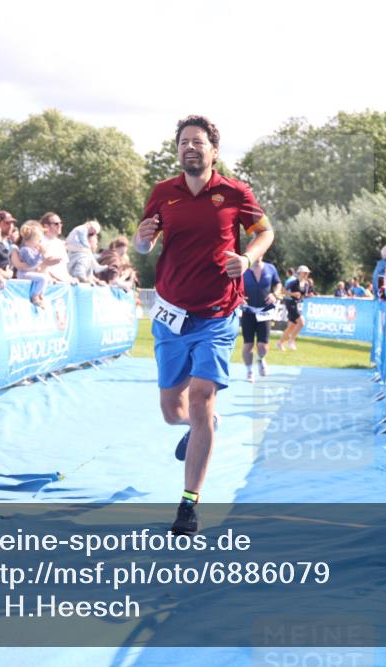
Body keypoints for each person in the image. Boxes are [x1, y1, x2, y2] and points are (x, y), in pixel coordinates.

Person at [133, 114, 274, 536]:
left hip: (217, 313)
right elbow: (145, 244)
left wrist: (248, 258)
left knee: (200, 398)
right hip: (171, 314)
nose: (189, 148)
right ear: (177, 150)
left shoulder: (234, 192)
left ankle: (189, 503)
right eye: (183, 143)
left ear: (214, 149)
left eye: (198, 142)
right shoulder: (163, 193)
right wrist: (141, 238)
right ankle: (202, 428)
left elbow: (265, 233)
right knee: (172, 411)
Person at [240, 256, 281, 382]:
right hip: (248, 311)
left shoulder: (270, 268)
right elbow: (233, 286)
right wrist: (238, 297)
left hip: (265, 312)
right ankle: (249, 371)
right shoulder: (243, 268)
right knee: (248, 344)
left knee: (263, 345)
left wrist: (275, 294)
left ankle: (261, 359)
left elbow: (278, 284)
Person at [16, 221, 50, 308]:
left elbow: (40, 262)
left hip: (29, 272)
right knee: (43, 278)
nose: (39, 243)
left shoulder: (33, 250)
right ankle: (35, 296)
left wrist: (42, 254)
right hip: (23, 273)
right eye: (38, 240)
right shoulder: (25, 250)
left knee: (46, 277)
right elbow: (31, 262)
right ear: (33, 240)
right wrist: (39, 253)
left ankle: (39, 294)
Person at [277, 265, 312, 351]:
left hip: (298, 304)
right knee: (302, 322)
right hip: (291, 303)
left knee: (291, 326)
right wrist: (293, 294)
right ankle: (291, 340)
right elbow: (283, 291)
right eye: (305, 273)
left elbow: (303, 295)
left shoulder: (307, 283)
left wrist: (308, 296)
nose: (306, 274)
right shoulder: (293, 282)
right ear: (299, 273)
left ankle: (280, 343)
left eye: (307, 273)